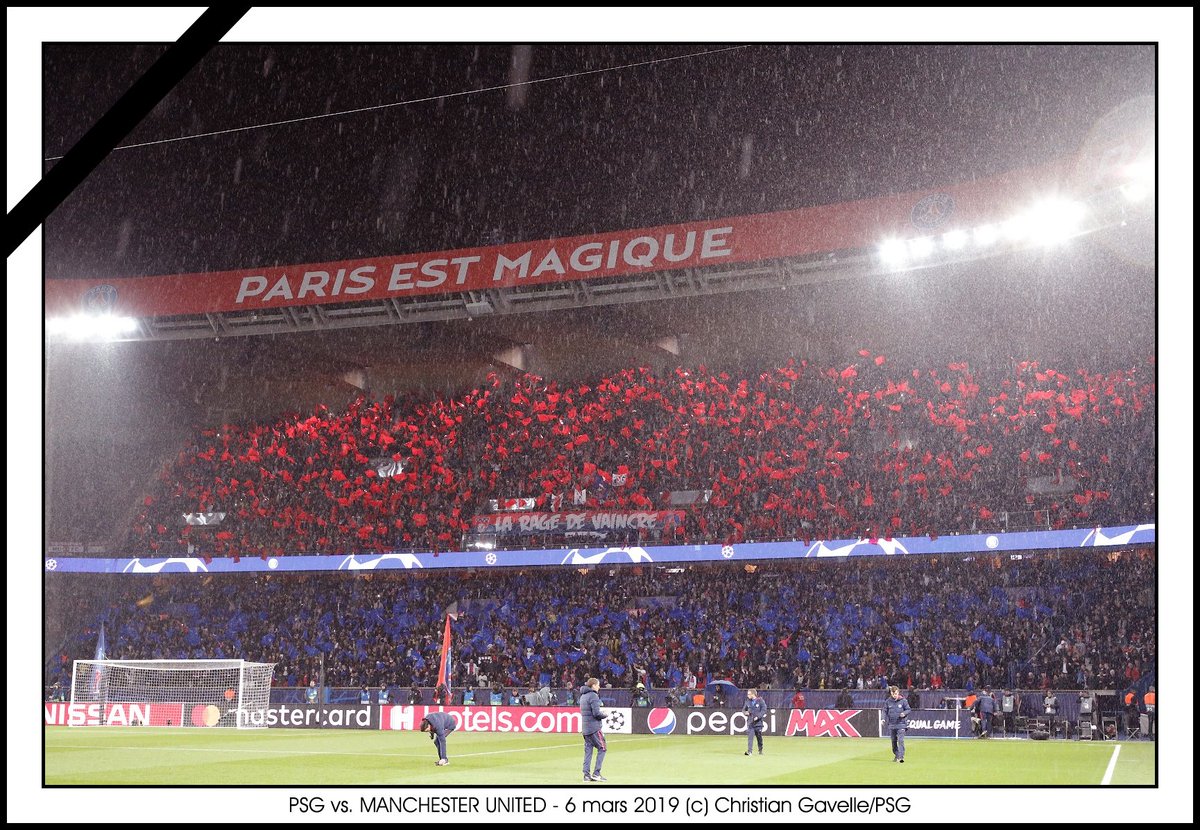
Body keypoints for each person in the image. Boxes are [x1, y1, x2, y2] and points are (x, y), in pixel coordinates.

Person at [579, 677, 608, 782]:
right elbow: (596, 713)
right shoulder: (593, 696)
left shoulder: (583, 697)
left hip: (585, 729)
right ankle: (597, 773)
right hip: (594, 728)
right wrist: (605, 714)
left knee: (588, 751)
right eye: (598, 684)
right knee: (603, 748)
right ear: (594, 685)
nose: (599, 686)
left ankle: (586, 775)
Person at [884, 685, 911, 763]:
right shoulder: (888, 701)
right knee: (893, 741)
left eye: (895, 693)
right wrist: (882, 719)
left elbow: (908, 709)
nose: (894, 695)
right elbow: (884, 710)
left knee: (900, 740)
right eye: (893, 694)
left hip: (901, 724)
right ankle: (897, 754)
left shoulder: (903, 701)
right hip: (892, 725)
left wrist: (904, 713)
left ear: (898, 693)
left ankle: (901, 757)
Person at [743, 688, 766, 755]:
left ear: (753, 694)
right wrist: (745, 713)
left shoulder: (760, 701)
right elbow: (743, 710)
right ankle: (749, 751)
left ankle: (760, 750)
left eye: (749, 694)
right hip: (750, 723)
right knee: (750, 738)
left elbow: (763, 710)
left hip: (758, 723)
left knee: (759, 737)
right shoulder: (747, 701)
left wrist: (758, 717)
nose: (747, 695)